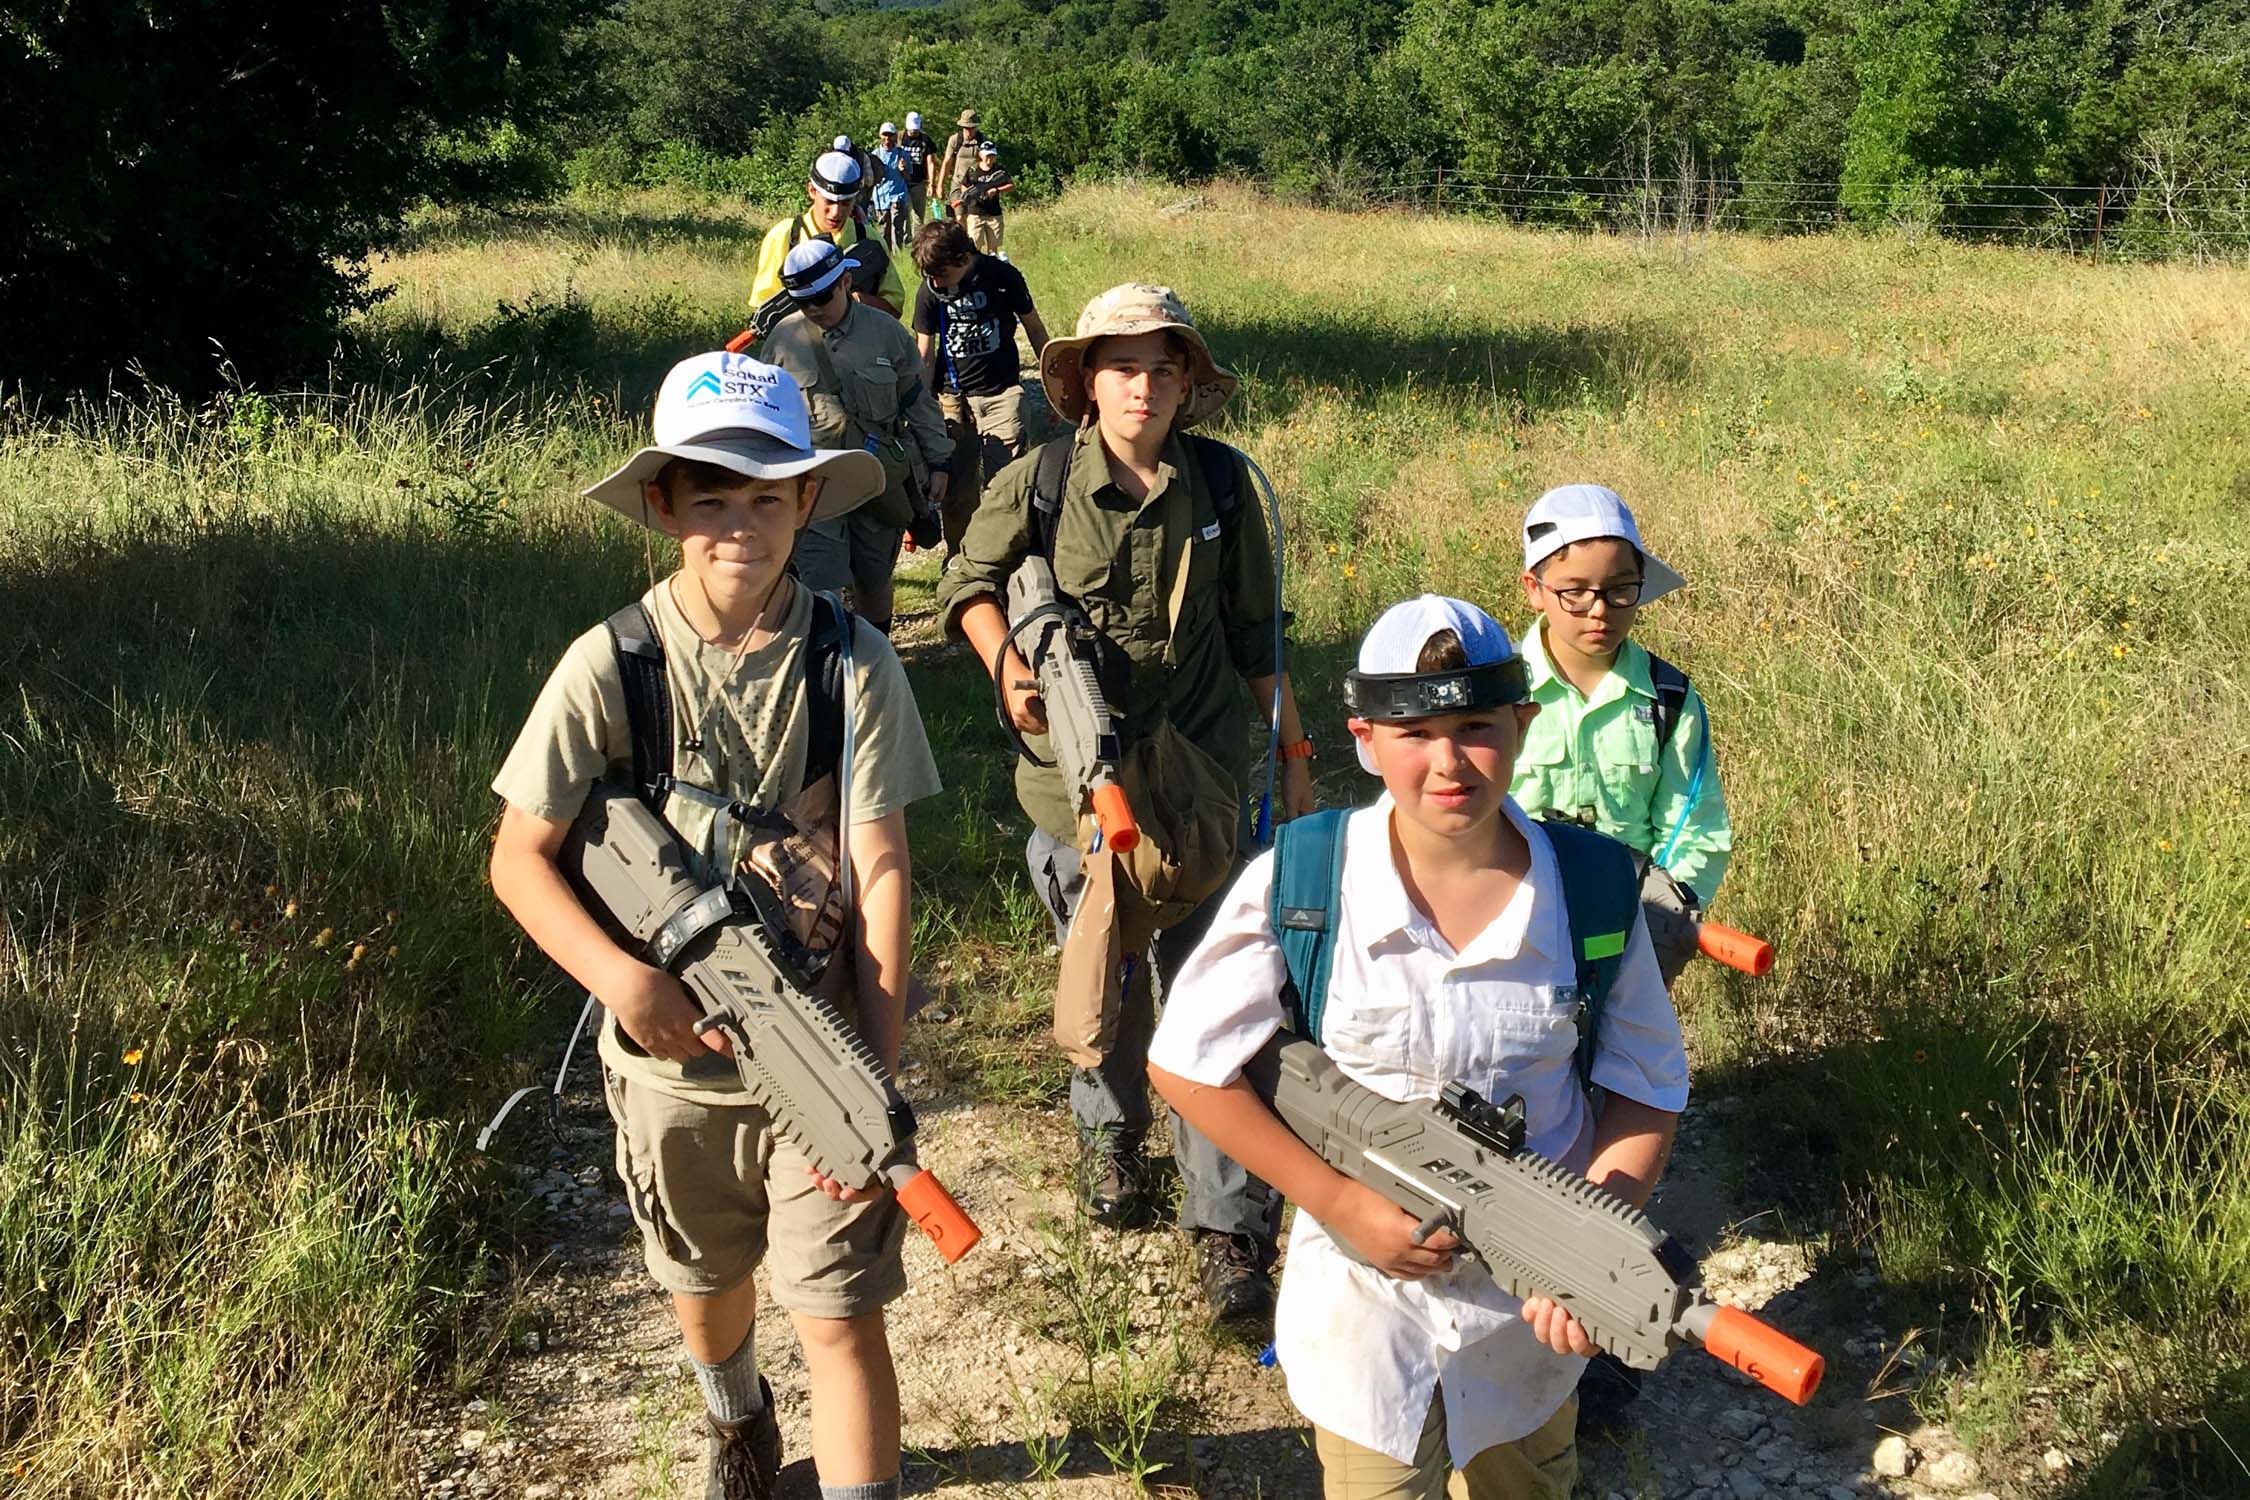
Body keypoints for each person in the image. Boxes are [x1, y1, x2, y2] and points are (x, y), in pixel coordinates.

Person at [488, 350, 943, 1500]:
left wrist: (867, 1083)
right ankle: (738, 1417)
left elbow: (883, 872)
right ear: (663, 508)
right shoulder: (612, 664)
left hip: (822, 1043)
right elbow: (519, 859)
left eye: (765, 494)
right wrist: (625, 982)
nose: (738, 523)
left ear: (805, 502)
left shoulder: (854, 663)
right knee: (705, 1294)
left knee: (838, 1319)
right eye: (710, 497)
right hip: (669, 1075)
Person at [1147, 594, 1688, 1500]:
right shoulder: (1305, 877)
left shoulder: (1588, 889)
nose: (1447, 762)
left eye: (1476, 726)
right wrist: (1336, 1202)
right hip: (1363, 1324)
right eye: (1414, 731)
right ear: (1363, 738)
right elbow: (1187, 1062)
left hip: (1525, 1337)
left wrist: (1594, 1240)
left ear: (1524, 723)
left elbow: (1646, 1087)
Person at [933, 284, 1316, 1324]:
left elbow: (1256, 641)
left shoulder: (1226, 491)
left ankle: (1226, 1227)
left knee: (1215, 994)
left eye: (1161, 367)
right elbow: (962, 583)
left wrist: (1292, 751)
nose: (1141, 386)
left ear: (1188, 384)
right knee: (1102, 974)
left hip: (1195, 785)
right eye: (1121, 367)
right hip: (1070, 789)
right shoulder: (1040, 480)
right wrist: (1006, 660)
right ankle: (1112, 1148)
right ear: (1085, 385)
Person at [1508, 482, 1730, 1436]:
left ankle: (1602, 1338)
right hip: (1520, 951)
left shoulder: (1670, 700)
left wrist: (1668, 906)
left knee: (1623, 1130)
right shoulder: (1498, 692)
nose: (1600, 611)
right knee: (1527, 1127)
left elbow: (1696, 829)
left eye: (1621, 591)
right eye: (1577, 592)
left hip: (1633, 951)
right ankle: (1515, 1314)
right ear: (1534, 589)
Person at [765, 241, 953, 636]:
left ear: (846, 281)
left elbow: (917, 401)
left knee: (873, 580)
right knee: (821, 584)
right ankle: (830, 668)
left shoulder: (885, 333)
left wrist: (939, 461)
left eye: (822, 297)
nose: (814, 308)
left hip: (876, 480)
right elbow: (766, 418)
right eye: (804, 302)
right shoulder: (782, 343)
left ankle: (877, 655)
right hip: (814, 488)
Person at [909, 218, 1050, 550]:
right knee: (956, 488)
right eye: (929, 275)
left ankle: (1006, 556)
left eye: (941, 274)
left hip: (1001, 393)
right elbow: (925, 354)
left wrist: (1056, 383)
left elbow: (1035, 329)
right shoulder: (929, 291)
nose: (935, 281)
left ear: (962, 258)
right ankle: (961, 557)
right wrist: (919, 407)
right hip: (952, 396)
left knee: (1007, 484)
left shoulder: (1002, 277)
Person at [751, 150, 906, 319]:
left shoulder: (868, 238)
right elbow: (764, 304)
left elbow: (894, 308)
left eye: (845, 203)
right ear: (812, 190)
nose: (836, 212)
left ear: (856, 198)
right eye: (829, 201)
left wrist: (856, 302)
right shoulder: (784, 236)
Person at [948, 142, 1014, 256]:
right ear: (981, 155)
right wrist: (968, 194)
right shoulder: (973, 170)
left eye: (992, 155)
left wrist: (996, 190)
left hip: (994, 214)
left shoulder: (999, 170)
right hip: (975, 213)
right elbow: (964, 184)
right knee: (975, 246)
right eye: (987, 155)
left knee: (993, 250)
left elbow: (1011, 185)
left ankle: (992, 271)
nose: (990, 158)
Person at [870, 123, 915, 250]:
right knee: (883, 231)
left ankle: (898, 258)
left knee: (897, 231)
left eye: (890, 135)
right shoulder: (875, 155)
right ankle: (886, 257)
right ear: (880, 135)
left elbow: (909, 178)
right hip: (881, 198)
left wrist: (903, 169)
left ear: (895, 136)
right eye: (885, 135)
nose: (887, 138)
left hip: (898, 196)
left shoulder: (902, 154)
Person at [931, 109, 984, 215]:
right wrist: (940, 185)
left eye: (971, 128)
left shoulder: (982, 141)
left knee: (974, 217)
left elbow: (987, 163)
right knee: (959, 215)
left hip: (976, 184)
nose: (969, 131)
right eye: (966, 128)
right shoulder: (955, 140)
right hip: (958, 182)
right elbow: (946, 162)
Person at [897, 111, 939, 230]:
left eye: (915, 129)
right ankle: (905, 241)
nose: (913, 132)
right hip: (902, 183)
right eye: (911, 129)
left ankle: (918, 241)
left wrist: (932, 184)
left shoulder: (925, 140)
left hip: (918, 183)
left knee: (918, 216)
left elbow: (930, 163)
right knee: (903, 214)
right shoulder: (899, 138)